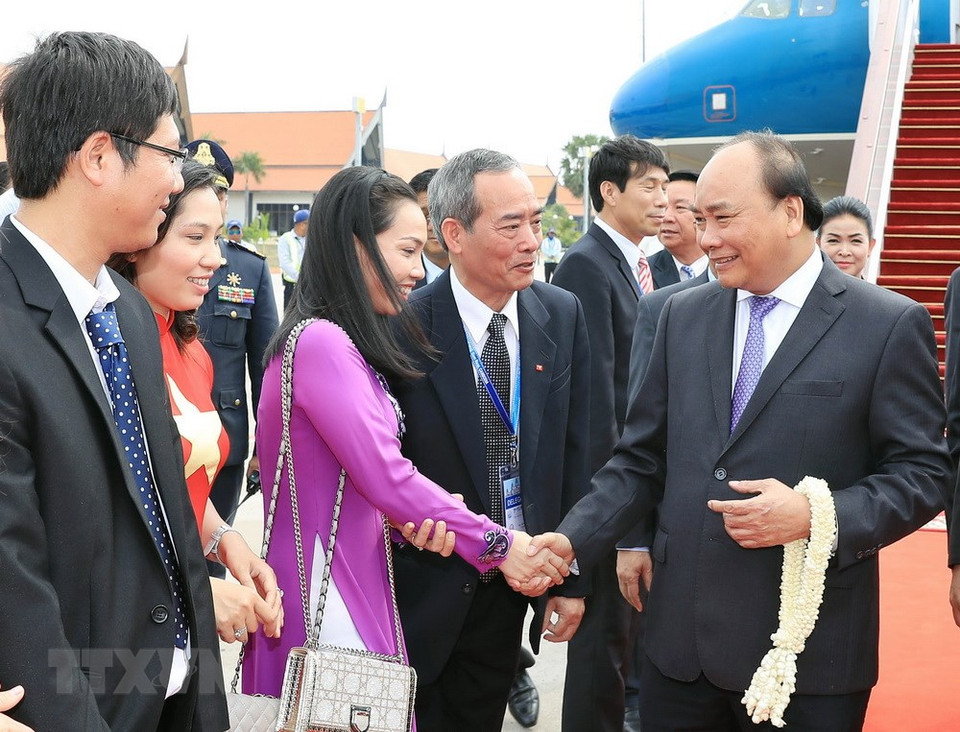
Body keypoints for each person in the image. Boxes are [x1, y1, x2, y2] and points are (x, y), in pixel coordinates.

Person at [535, 131, 950, 730]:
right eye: (700, 220)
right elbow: (639, 460)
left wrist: (818, 513)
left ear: (789, 212)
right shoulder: (680, 315)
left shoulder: (886, 324)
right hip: (681, 655)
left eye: (722, 218)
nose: (707, 239)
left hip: (807, 658)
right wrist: (572, 541)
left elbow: (924, 472)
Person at [241, 166, 570, 708]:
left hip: (358, 575)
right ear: (355, 247)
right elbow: (389, 477)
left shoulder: (340, 343)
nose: (419, 271)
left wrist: (408, 525)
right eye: (407, 250)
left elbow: (360, 488)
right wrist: (501, 544)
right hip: (332, 591)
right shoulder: (321, 343)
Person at [0, 31, 227, 729]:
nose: (176, 178)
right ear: (100, 156)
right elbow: (13, 579)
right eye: (170, 153)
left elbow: (168, 524)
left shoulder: (123, 309)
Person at [390, 149, 591, 732]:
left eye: (535, 221)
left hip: (517, 580)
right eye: (511, 226)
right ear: (453, 234)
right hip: (425, 582)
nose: (532, 240)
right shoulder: (404, 325)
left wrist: (571, 576)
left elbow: (578, 449)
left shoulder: (560, 312)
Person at [108, 159, 284, 646]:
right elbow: (105, 516)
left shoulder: (193, 352)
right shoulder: (106, 351)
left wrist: (225, 542)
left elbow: (180, 486)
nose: (217, 258)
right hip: (124, 628)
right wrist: (198, 588)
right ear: (142, 237)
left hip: (183, 613)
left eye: (218, 239)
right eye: (194, 237)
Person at [551, 134, 668, 732]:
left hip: (640, 486)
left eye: (664, 185)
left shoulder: (648, 265)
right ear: (609, 190)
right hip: (610, 490)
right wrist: (621, 518)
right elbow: (598, 401)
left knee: (629, 648)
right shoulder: (585, 264)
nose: (662, 198)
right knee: (600, 654)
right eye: (648, 185)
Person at [189, 139, 280, 578]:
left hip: (226, 439)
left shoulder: (251, 269)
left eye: (218, 191)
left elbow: (266, 368)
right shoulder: (146, 256)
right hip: (169, 429)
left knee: (212, 564)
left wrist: (265, 447)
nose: (210, 198)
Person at [648, 170, 707, 285]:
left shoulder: (727, 267)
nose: (666, 217)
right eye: (662, 207)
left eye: (680, 207)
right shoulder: (643, 273)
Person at [816, 195, 876, 279]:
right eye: (833, 241)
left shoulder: (875, 292)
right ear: (818, 244)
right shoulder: (799, 291)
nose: (844, 252)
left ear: (870, 246)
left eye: (856, 241)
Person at [409, 168, 446, 288]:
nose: (432, 226)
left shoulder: (484, 276)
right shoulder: (397, 279)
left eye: (439, 215)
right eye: (424, 216)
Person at [277, 208, 309, 307]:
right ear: (300, 224)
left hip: (308, 287)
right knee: (290, 316)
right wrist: (300, 278)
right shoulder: (285, 239)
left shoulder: (311, 238)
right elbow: (284, 263)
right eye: (308, 223)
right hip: (292, 286)